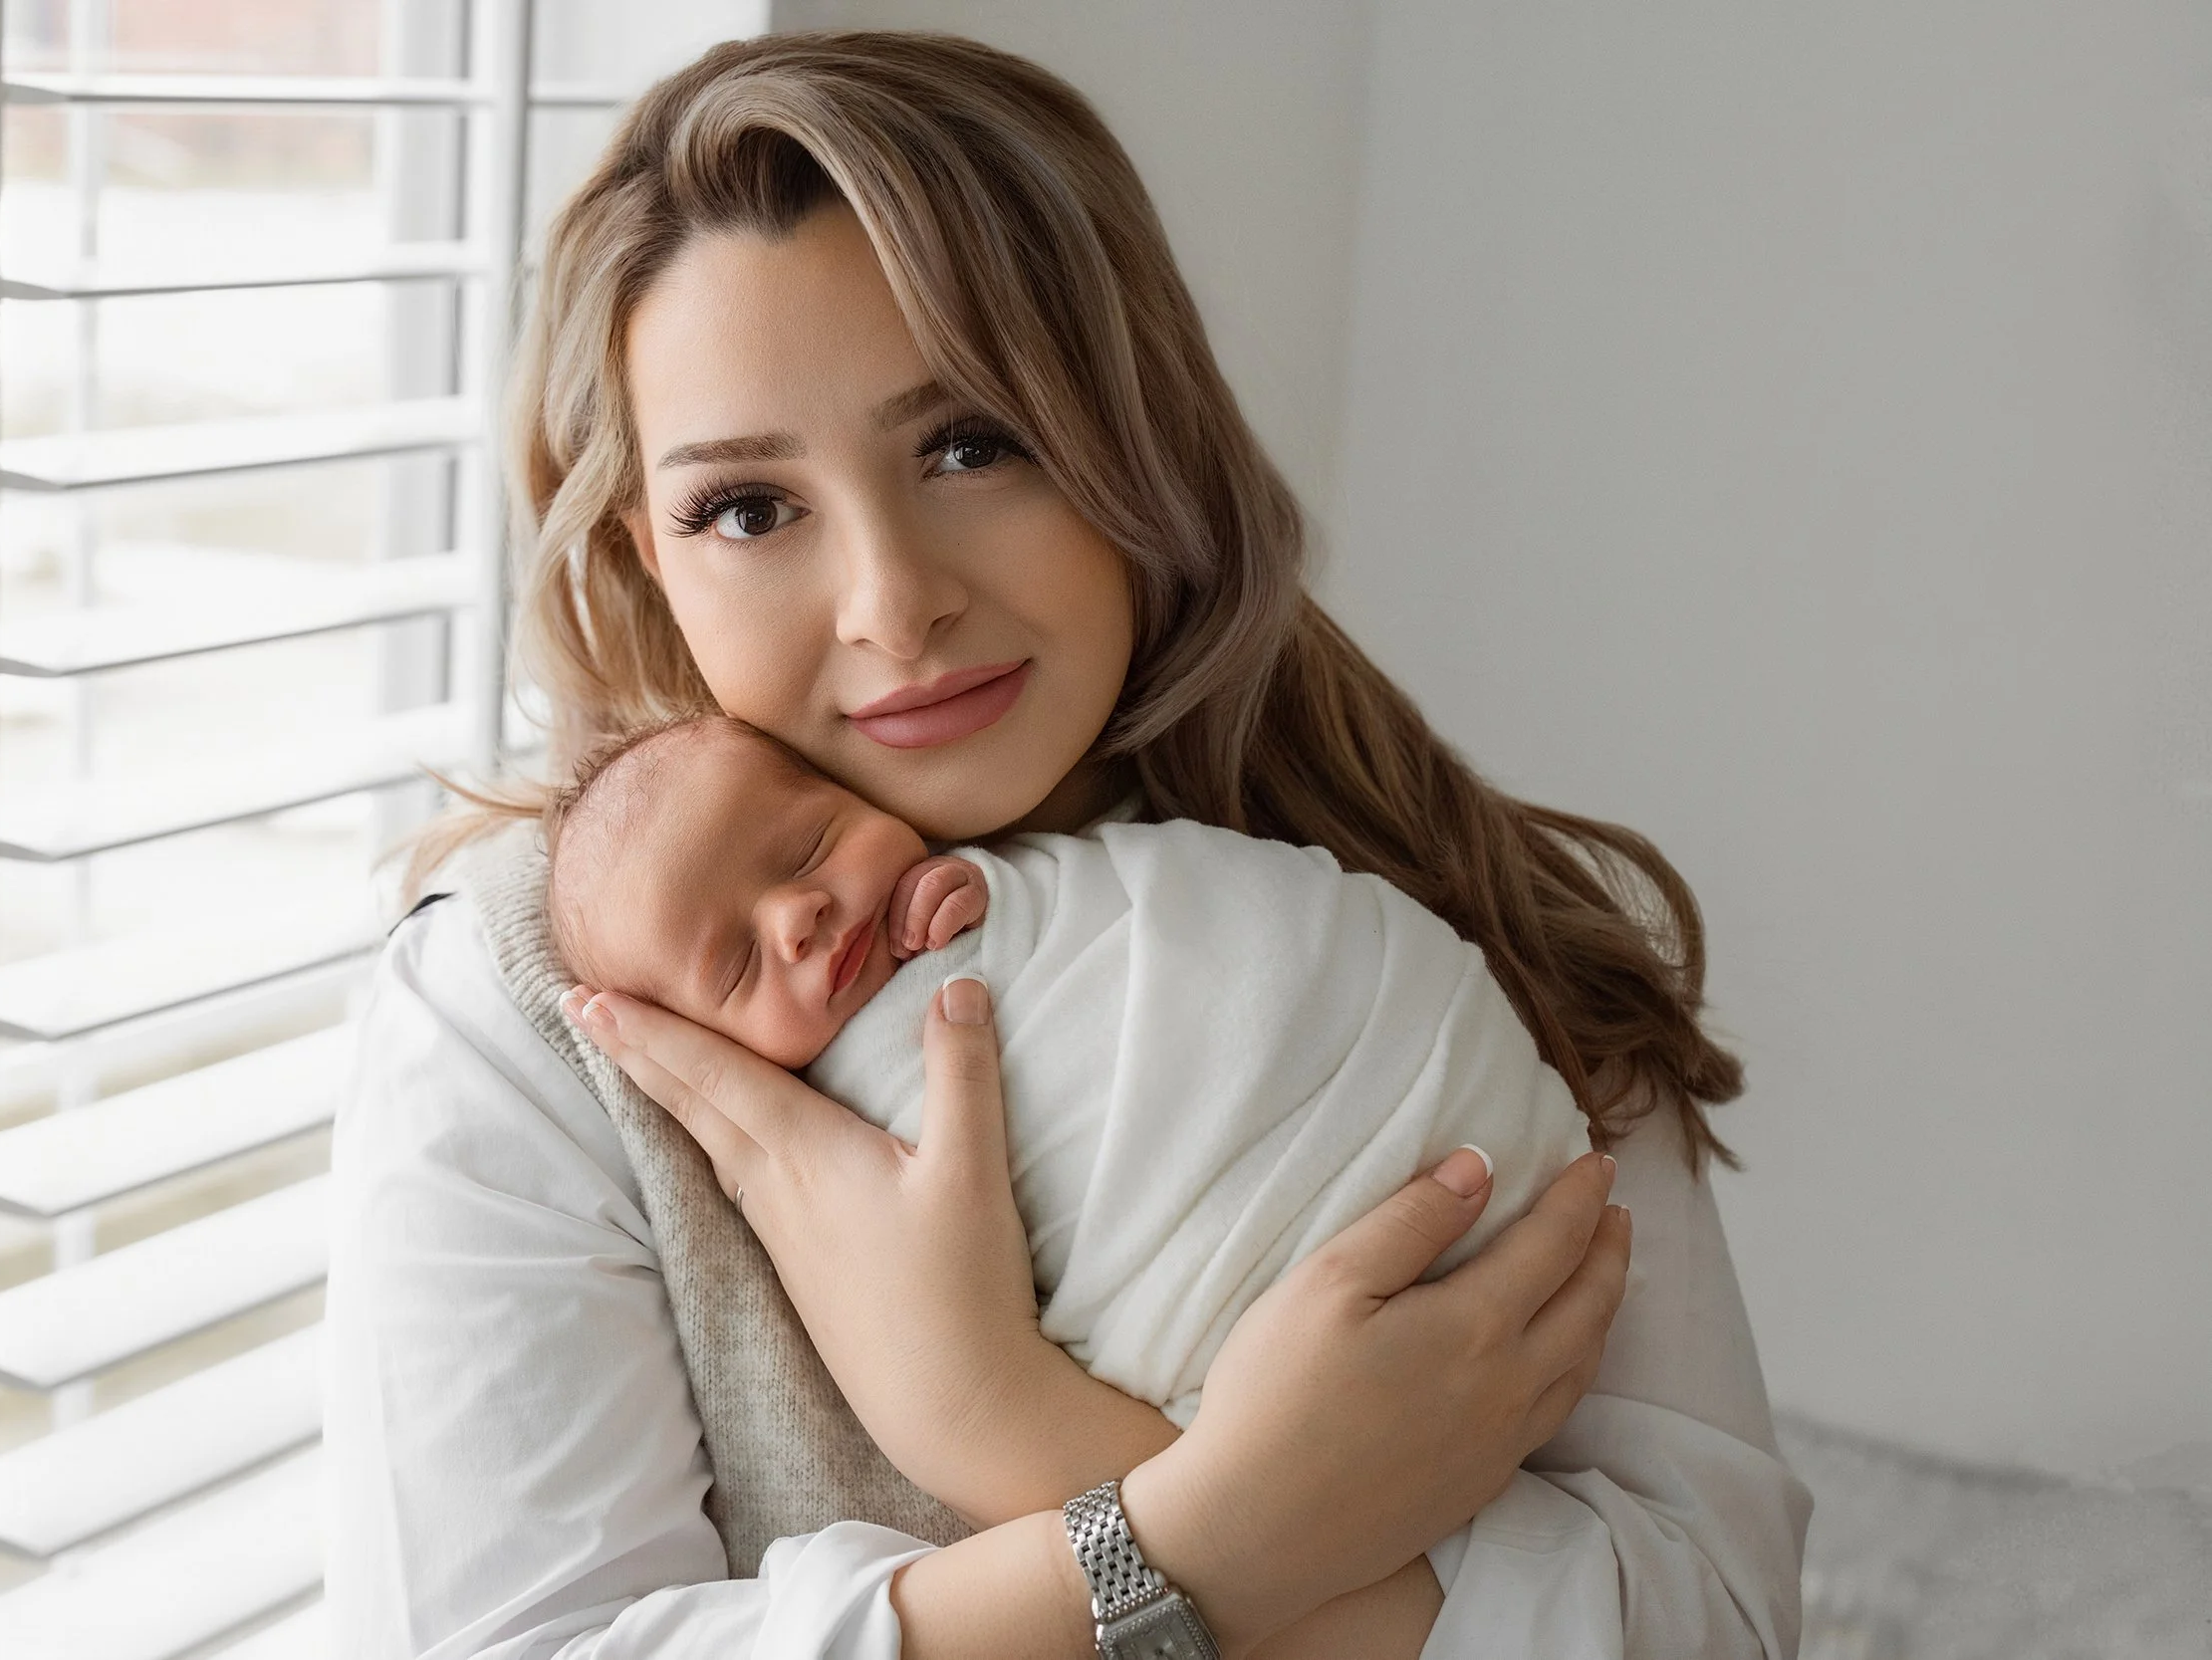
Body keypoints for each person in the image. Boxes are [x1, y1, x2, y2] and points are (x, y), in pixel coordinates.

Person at [326, 29, 1810, 1660]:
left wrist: (1024, 1432)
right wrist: (1188, 1532)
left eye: (972, 442)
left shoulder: (1486, 916)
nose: (894, 602)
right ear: (649, 556)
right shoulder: (530, 1009)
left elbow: (1710, 1627)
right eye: (748, 507)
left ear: (1139, 438)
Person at [534, 710, 1591, 1430]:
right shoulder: (807, 1116)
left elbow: (1067, 911)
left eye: (811, 845)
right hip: (1228, 1300)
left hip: (1408, 1097)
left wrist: (975, 891)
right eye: (735, 962)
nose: (798, 915)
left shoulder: (971, 882)